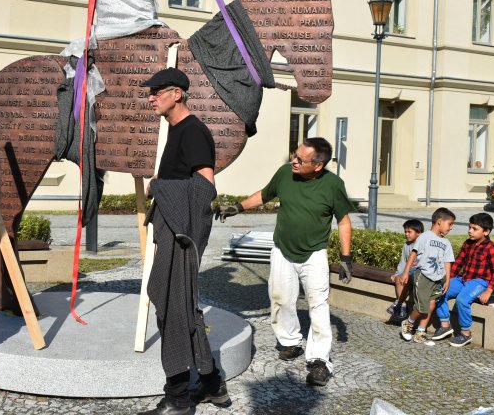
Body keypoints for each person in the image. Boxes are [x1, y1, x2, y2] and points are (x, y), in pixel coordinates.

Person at [215, 137, 354, 387]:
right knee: (280, 299)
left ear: (318, 165)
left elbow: (343, 221)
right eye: (294, 154)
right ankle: (291, 343)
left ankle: (319, 361)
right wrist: (237, 207)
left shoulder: (333, 185)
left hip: (314, 254)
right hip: (282, 250)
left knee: (318, 305)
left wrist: (346, 258)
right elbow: (265, 195)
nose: (294, 160)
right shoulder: (284, 174)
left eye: (301, 159)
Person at [138, 67, 227, 415]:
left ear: (177, 93)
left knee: (172, 306)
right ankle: (212, 385)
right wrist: (162, 180)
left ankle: (177, 399)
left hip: (182, 235)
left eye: (156, 91)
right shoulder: (175, 130)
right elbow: (183, 177)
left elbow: (205, 188)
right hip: (171, 229)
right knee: (177, 305)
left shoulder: (193, 131)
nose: (150, 97)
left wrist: (160, 187)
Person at [431, 212, 494, 347]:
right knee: (439, 291)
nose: (470, 231)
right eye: (469, 227)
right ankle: (445, 325)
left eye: (475, 229)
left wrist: (489, 290)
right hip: (463, 279)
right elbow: (458, 263)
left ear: (486, 232)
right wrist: (448, 280)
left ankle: (466, 333)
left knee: (462, 300)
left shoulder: (491, 248)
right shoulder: (468, 243)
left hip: (480, 282)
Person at [399, 207, 455, 346]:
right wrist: (406, 272)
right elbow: (413, 254)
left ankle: (420, 333)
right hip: (423, 276)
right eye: (450, 224)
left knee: (431, 306)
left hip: (437, 279)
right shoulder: (424, 237)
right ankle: (408, 323)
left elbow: (447, 262)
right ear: (439, 222)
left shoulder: (446, 243)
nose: (451, 228)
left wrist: (447, 279)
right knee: (422, 306)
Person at [386, 219, 424, 320]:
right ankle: (402, 305)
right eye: (405, 232)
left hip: (419, 274)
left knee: (404, 278)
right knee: (399, 278)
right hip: (408, 273)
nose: (406, 234)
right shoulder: (406, 245)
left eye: (409, 232)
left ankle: (398, 304)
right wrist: (397, 274)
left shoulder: (423, 244)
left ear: (419, 233)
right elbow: (403, 262)